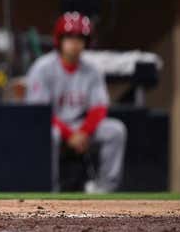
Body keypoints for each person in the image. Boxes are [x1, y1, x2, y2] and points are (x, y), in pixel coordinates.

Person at [26, 12, 127, 193]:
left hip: (81, 126)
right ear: (60, 40)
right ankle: (50, 190)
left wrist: (83, 132)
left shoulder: (92, 70)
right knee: (52, 134)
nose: (75, 43)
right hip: (52, 125)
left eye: (80, 38)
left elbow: (99, 108)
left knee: (115, 130)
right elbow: (39, 112)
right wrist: (69, 134)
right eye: (70, 37)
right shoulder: (43, 68)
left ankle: (105, 189)